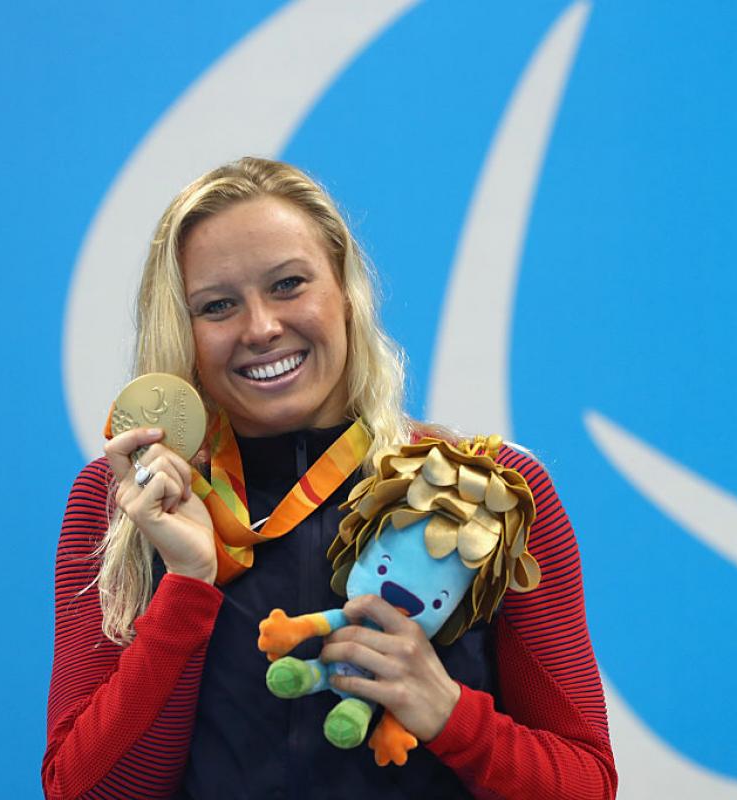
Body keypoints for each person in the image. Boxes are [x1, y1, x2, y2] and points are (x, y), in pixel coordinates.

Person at [43, 157, 618, 799]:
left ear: (345, 290)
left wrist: (451, 714)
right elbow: (85, 791)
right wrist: (186, 585)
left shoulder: (489, 491)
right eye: (218, 305)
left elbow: (585, 785)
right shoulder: (126, 503)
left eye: (289, 284)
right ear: (183, 330)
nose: (261, 327)